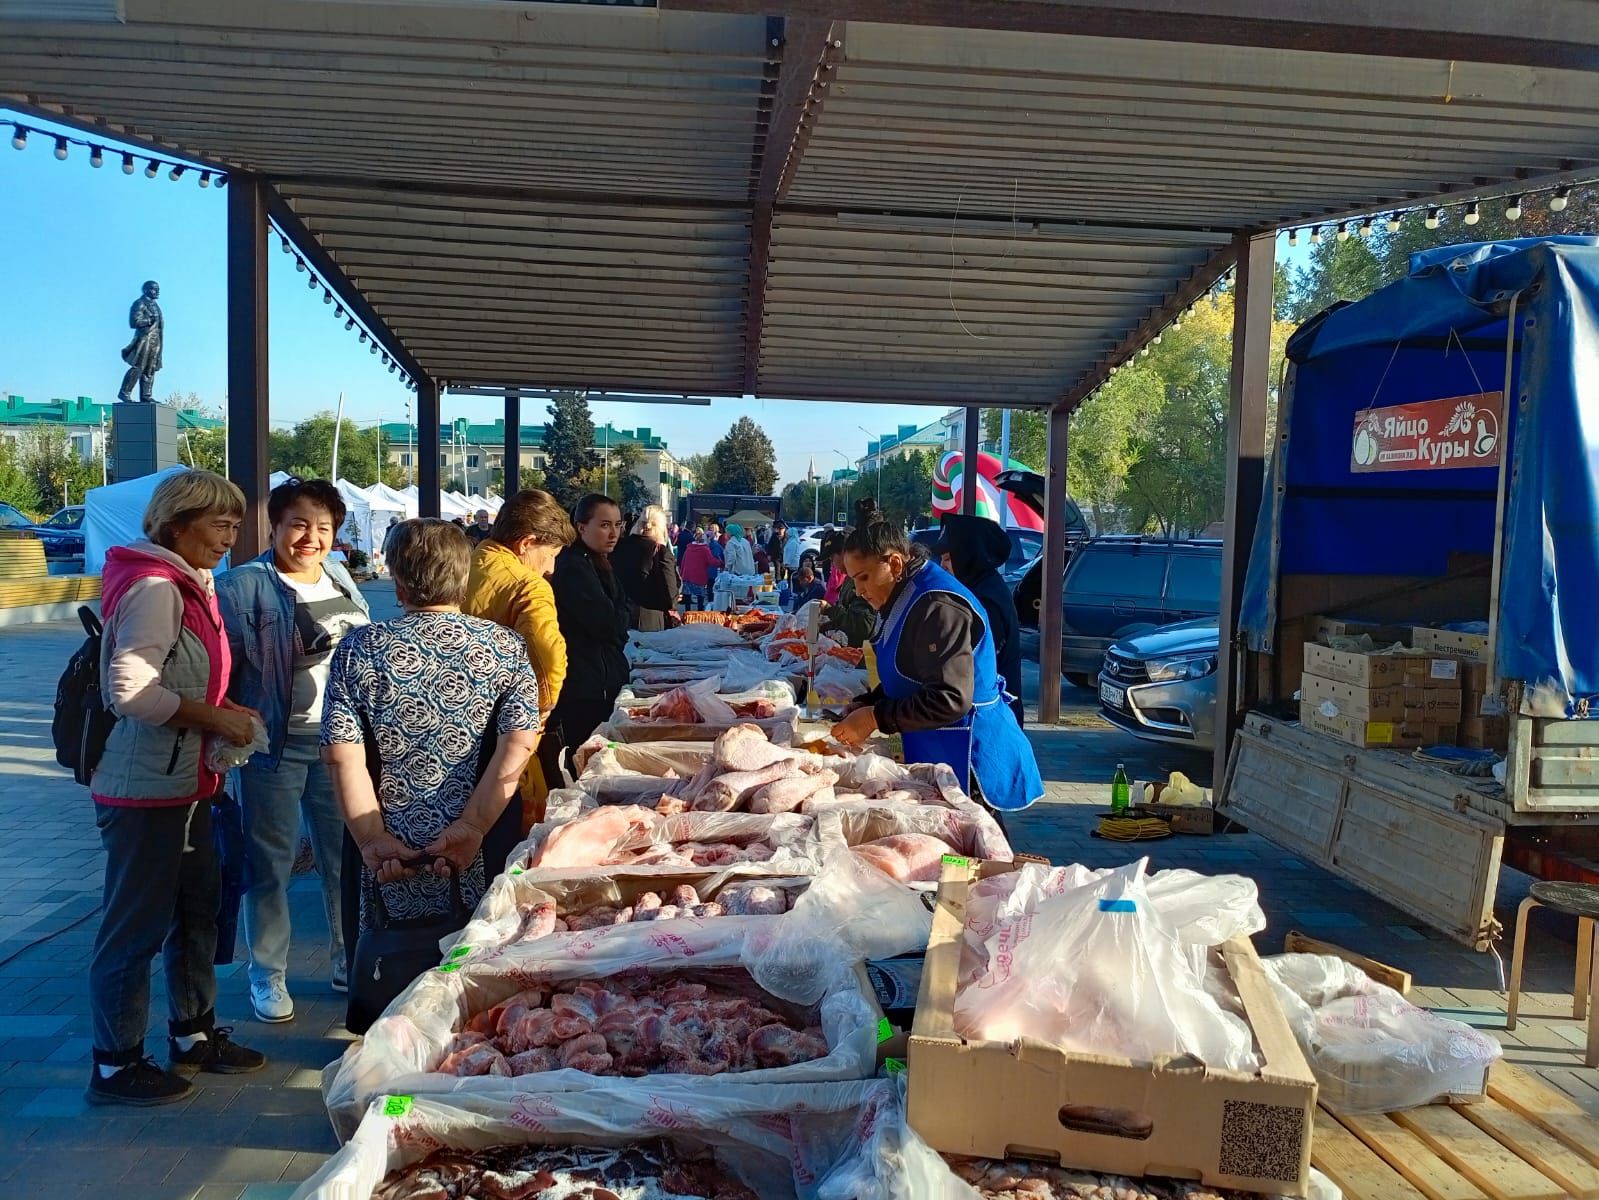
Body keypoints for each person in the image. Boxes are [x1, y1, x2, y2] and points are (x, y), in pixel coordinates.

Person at [88, 468, 267, 1107]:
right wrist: (215, 717)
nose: (229, 536)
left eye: (235, 524)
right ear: (175, 524)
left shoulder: (190, 583)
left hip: (188, 784)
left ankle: (192, 1033)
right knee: (135, 926)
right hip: (145, 791)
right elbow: (130, 691)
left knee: (196, 912)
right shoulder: (155, 587)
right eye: (217, 523)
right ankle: (116, 1062)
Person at [323, 520, 540, 963]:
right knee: (481, 963)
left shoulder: (358, 649)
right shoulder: (506, 647)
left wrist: (370, 840)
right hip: (481, 833)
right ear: (464, 577)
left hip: (385, 840)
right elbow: (519, 742)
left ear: (398, 581)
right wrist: (474, 826)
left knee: (388, 959)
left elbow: (341, 756)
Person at [216, 478, 371, 1024]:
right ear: (276, 527)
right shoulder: (240, 587)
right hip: (274, 748)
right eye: (299, 525)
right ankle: (268, 975)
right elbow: (221, 669)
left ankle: (347, 959)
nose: (311, 537)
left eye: (323, 527)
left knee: (343, 858)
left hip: (339, 745)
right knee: (271, 864)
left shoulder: (340, 575)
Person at [829, 521, 1042, 815]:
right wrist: (869, 702)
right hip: (937, 747)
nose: (860, 590)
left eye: (864, 577)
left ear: (893, 563)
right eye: (854, 580)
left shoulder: (937, 605)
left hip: (970, 755)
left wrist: (875, 717)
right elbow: (912, 671)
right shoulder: (900, 595)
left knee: (973, 852)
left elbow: (950, 698)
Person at [463, 490, 574, 833]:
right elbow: (548, 657)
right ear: (527, 543)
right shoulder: (528, 585)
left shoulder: (464, 563)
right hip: (504, 732)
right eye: (550, 554)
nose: (551, 567)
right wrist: (540, 712)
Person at [547, 494, 631, 773]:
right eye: (605, 525)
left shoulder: (599, 562)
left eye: (618, 525)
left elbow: (622, 614)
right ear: (581, 527)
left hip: (600, 678)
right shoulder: (574, 566)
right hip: (585, 687)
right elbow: (608, 623)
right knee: (586, 766)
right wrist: (619, 613)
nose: (614, 533)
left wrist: (620, 613)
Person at [935, 515, 1024, 725]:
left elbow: (973, 663)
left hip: (991, 718)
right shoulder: (979, 587)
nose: (942, 566)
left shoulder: (986, 600)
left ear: (968, 557)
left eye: (948, 559)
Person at [612, 504, 681, 632]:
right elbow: (670, 594)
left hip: (617, 614)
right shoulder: (661, 552)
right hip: (649, 618)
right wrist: (676, 596)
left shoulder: (618, 546)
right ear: (661, 527)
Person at [820, 531, 874, 646]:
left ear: (845, 554)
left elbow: (863, 626)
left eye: (832, 558)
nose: (833, 564)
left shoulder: (861, 579)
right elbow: (845, 613)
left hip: (863, 653)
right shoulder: (848, 579)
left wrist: (830, 609)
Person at [680, 528, 714, 610]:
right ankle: (699, 613)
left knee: (687, 596)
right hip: (699, 575)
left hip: (687, 574)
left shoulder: (689, 548)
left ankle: (687, 614)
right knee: (700, 596)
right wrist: (721, 563)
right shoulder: (705, 549)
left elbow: (683, 560)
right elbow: (711, 561)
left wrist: (681, 573)